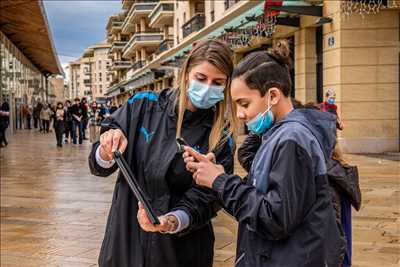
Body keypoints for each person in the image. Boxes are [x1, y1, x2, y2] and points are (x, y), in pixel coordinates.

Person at [182, 41, 344, 267]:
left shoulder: (291, 140)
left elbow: (275, 217)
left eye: (244, 103)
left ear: (273, 96)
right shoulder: (280, 135)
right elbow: (258, 200)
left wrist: (220, 182)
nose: (239, 114)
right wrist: (218, 178)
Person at [88, 39, 236, 267]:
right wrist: (106, 151)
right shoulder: (143, 106)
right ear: (186, 73)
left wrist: (173, 221)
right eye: (201, 78)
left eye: (217, 82)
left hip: (181, 252)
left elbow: (208, 199)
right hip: (126, 244)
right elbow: (98, 163)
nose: (207, 87)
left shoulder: (221, 137)